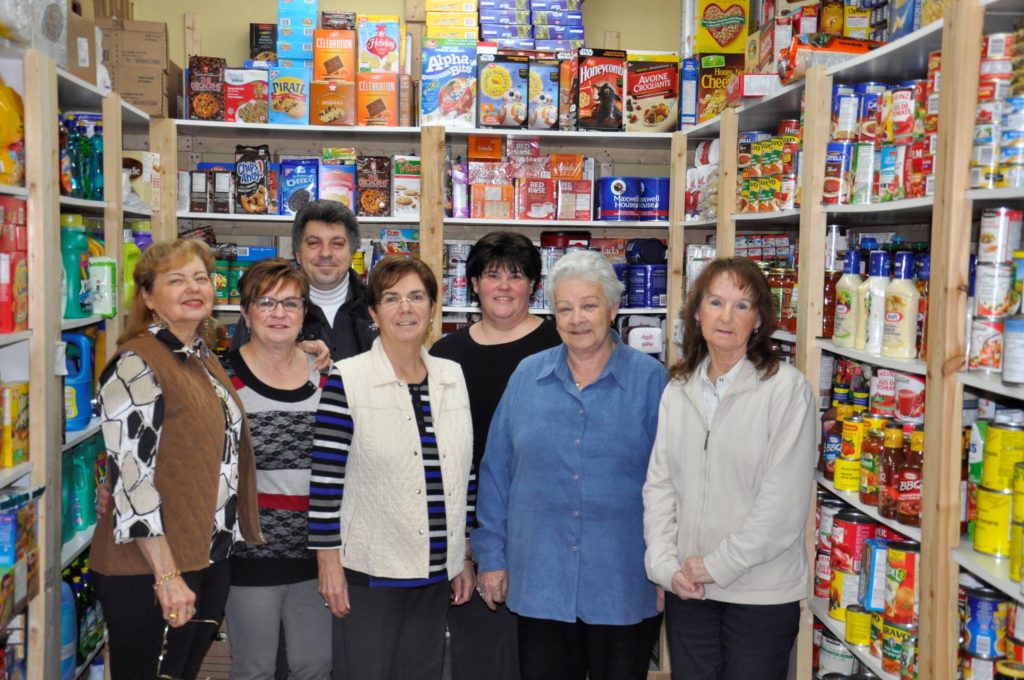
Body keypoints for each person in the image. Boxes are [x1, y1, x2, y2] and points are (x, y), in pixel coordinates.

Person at [473, 250, 666, 680]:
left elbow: (675, 484)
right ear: (553, 315)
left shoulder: (651, 382)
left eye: (589, 305)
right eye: (565, 308)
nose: (577, 318)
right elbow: (496, 471)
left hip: (624, 580)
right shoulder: (527, 376)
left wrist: (666, 569)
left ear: (614, 309)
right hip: (541, 579)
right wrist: (491, 557)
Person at [91, 238, 263, 680]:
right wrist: (166, 578)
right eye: (176, 279)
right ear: (148, 297)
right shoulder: (137, 363)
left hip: (205, 556)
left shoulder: (198, 356)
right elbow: (133, 480)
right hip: (148, 570)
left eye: (201, 277)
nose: (194, 287)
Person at [642, 257, 816, 680]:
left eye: (742, 305)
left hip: (760, 592)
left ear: (758, 320)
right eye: (716, 302)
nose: (726, 316)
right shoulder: (679, 389)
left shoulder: (786, 390)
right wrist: (665, 566)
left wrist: (718, 565)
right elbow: (660, 486)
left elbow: (783, 505)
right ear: (697, 312)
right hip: (690, 589)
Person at [308, 255, 475, 680]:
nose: (406, 308)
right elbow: (326, 480)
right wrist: (329, 564)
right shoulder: (348, 378)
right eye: (392, 298)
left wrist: (463, 556)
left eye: (417, 297)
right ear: (373, 312)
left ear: (433, 307)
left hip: (436, 572)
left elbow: (464, 473)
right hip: (371, 574)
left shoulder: (452, 376)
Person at [430, 232, 561, 680]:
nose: (504, 286)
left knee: (543, 659)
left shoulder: (561, 347)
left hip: (547, 529)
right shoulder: (445, 355)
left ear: (534, 286)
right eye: (492, 275)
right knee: (481, 656)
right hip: (471, 530)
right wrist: (463, 540)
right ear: (473, 284)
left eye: (517, 275)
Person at [221, 258, 331, 679]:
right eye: (266, 302)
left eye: (291, 303)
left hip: (318, 553)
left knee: (316, 665)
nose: (279, 313)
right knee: (254, 669)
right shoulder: (221, 378)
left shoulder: (326, 375)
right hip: (251, 553)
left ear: (305, 313)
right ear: (246, 312)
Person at [232, 199, 376, 361]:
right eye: (314, 243)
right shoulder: (265, 311)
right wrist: (286, 354)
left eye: (337, 244)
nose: (326, 253)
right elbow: (240, 373)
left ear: (352, 252)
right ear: (298, 254)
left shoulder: (377, 307)